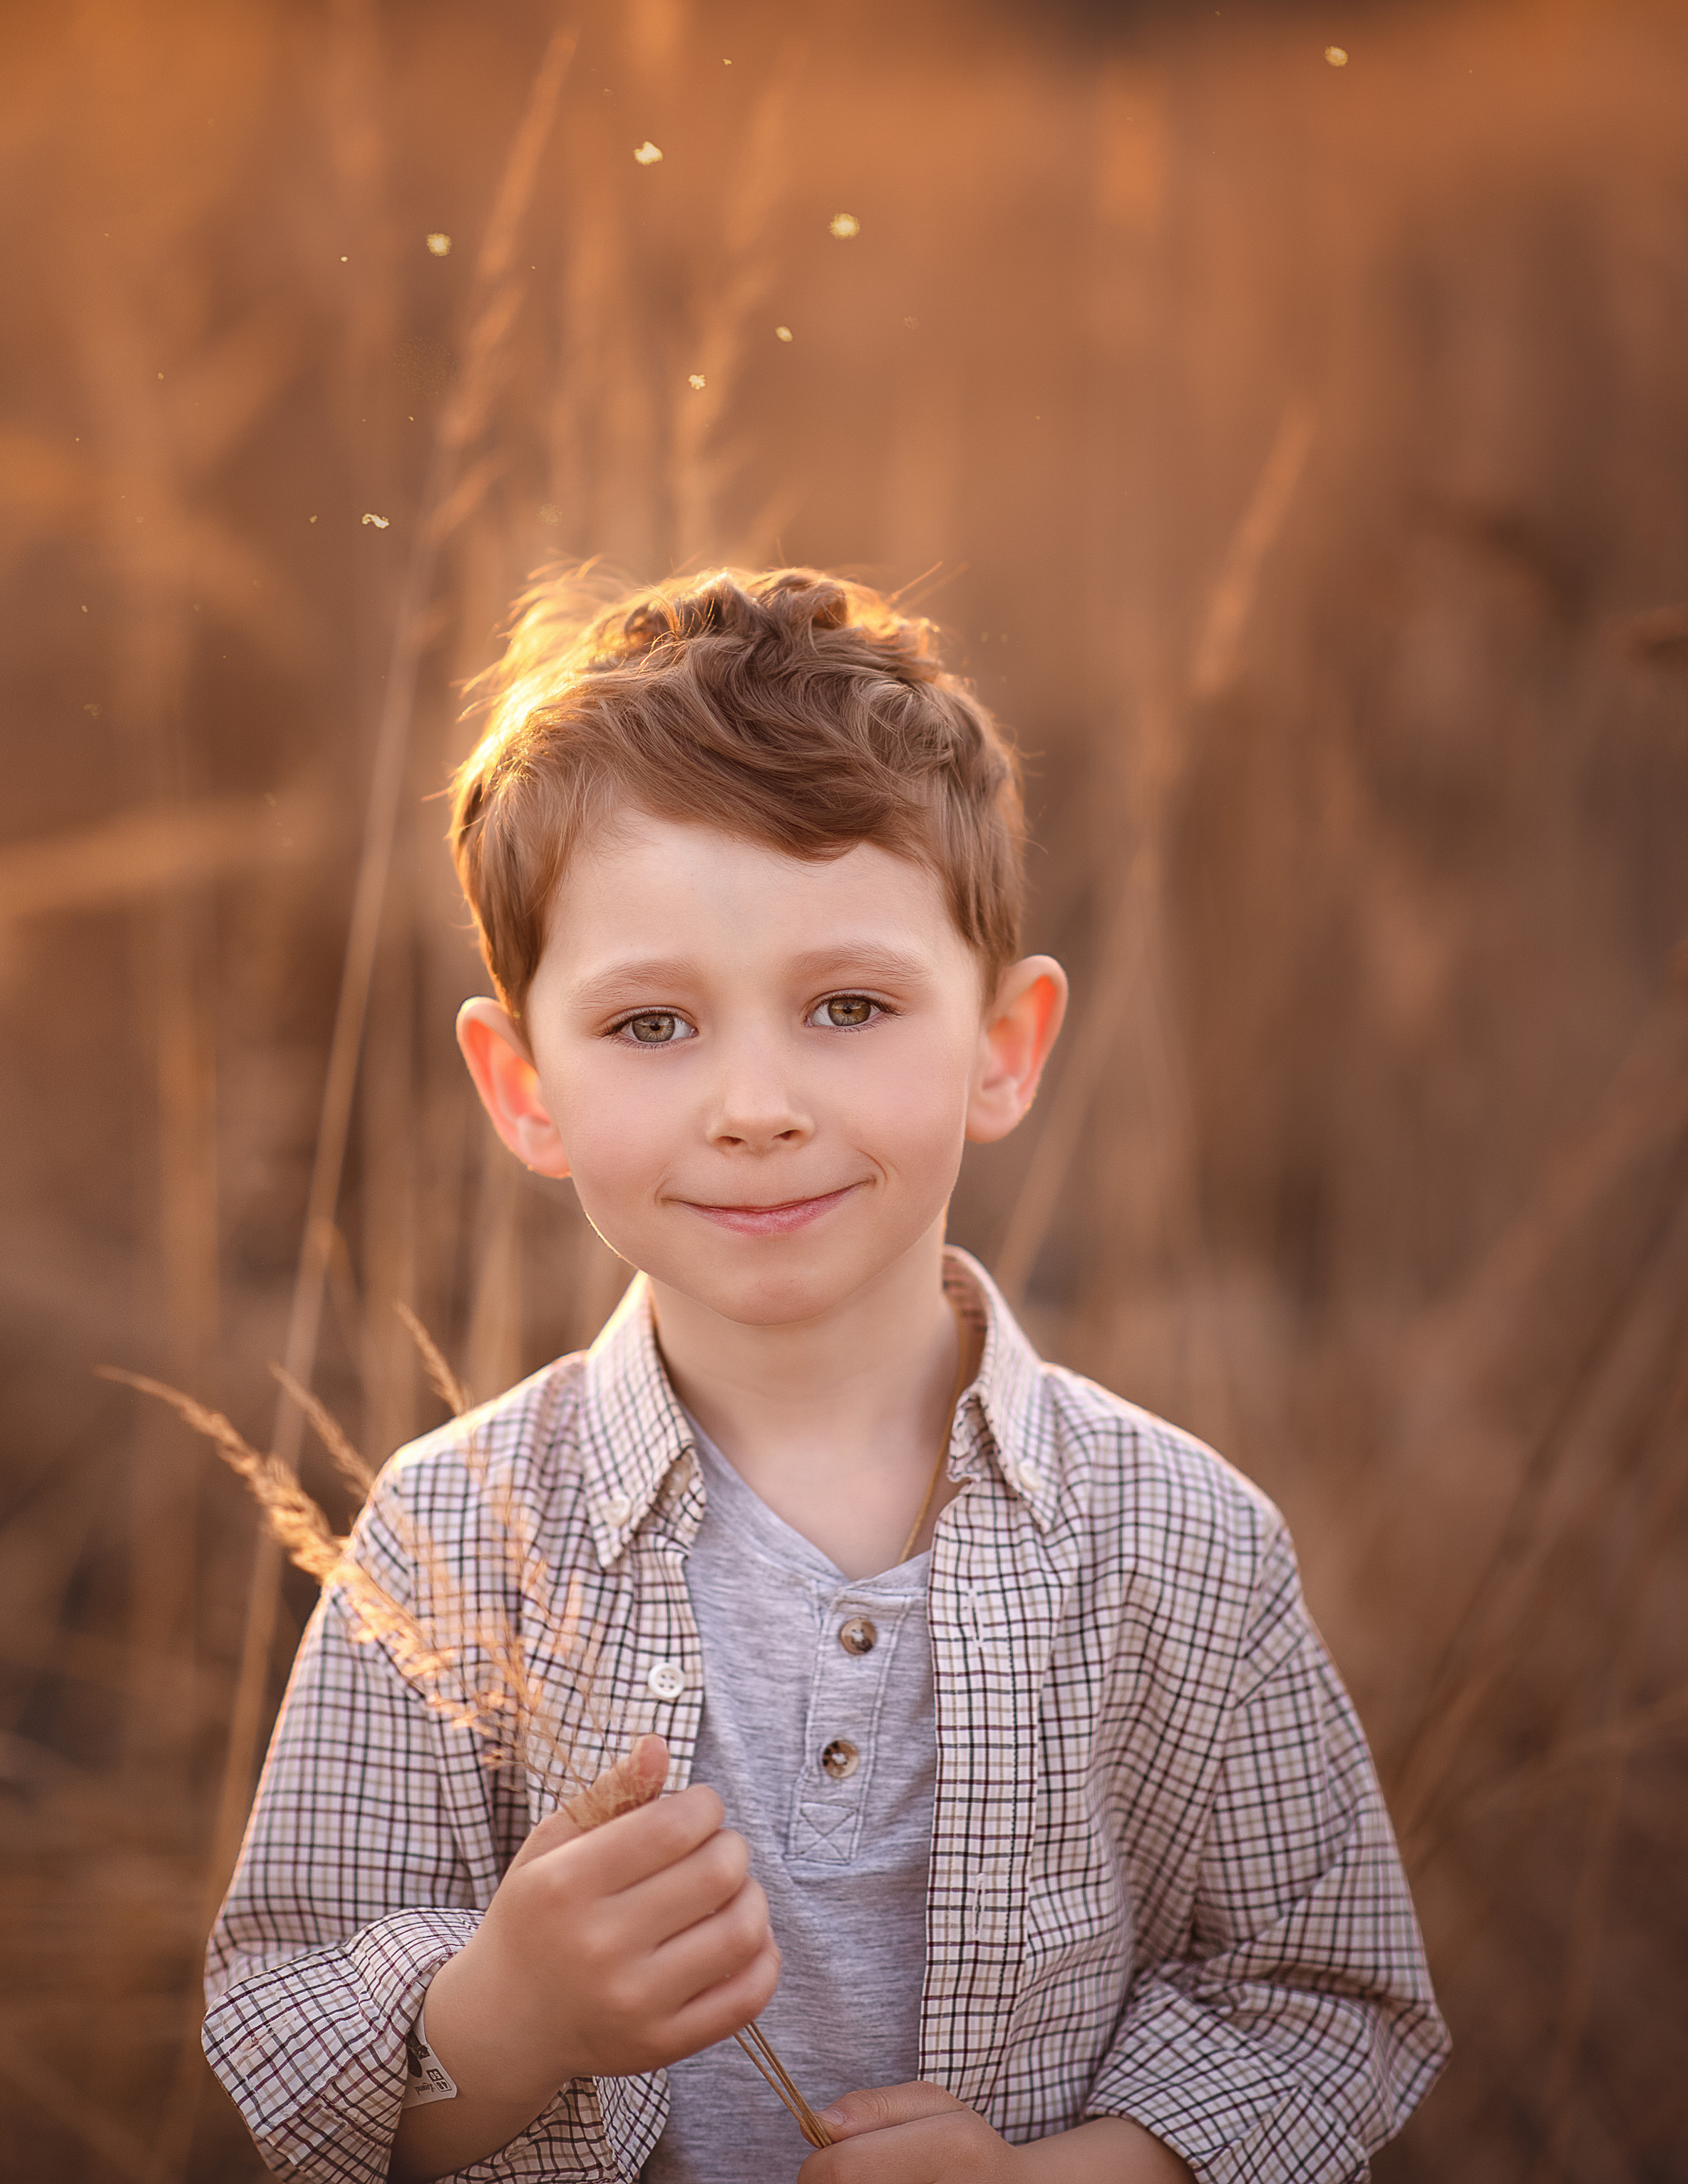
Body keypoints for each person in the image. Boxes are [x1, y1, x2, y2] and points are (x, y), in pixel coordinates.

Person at [202, 569, 1447, 2184]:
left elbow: (1324, 2006)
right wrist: (508, 2011)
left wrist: (1047, 2180)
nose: (756, 1105)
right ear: (523, 1087)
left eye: (847, 1006)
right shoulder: (453, 1541)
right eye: (652, 1025)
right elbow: (287, 2036)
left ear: (1002, 1045)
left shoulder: (1181, 1541)